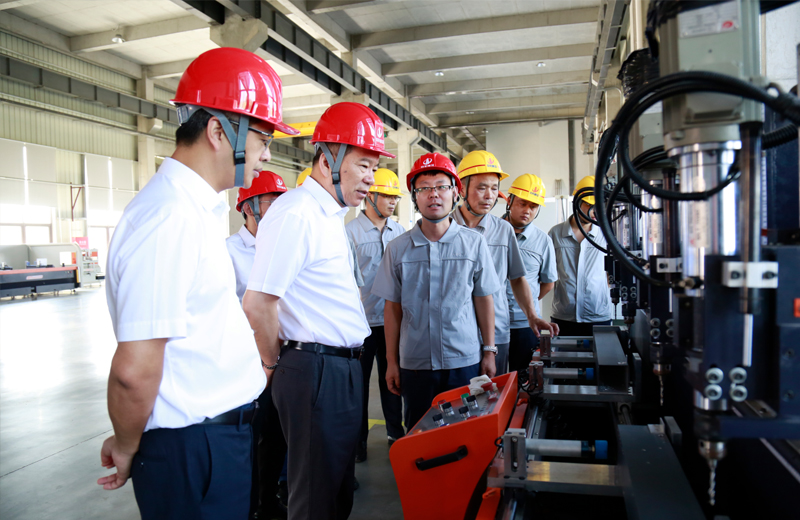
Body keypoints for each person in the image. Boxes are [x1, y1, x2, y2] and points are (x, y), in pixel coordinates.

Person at [99, 47, 298, 520]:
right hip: (192, 449)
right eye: (262, 138)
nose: (267, 154)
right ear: (217, 131)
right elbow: (133, 369)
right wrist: (126, 444)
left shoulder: (192, 210)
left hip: (213, 441)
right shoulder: (168, 218)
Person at [242, 101, 395, 520]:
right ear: (328, 160)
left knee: (336, 490)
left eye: (374, 166)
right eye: (363, 165)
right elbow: (259, 302)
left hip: (338, 368)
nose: (372, 177)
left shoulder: (328, 216)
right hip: (314, 368)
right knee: (314, 498)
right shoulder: (296, 214)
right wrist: (272, 366)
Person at [372, 152, 501, 432]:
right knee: (419, 435)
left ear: (455, 192)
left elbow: (483, 299)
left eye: (442, 186)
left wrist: (489, 351)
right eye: (424, 188)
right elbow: (392, 308)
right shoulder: (397, 249)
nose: (434, 194)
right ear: (414, 196)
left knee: (464, 434)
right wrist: (391, 362)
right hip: (415, 364)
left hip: (464, 360)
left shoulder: (474, 244)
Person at [453, 151, 557, 375]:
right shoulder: (445, 228)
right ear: (461, 189)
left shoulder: (503, 230)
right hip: (456, 334)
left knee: (495, 392)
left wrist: (532, 316)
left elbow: (517, 279)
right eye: (481, 187)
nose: (489, 195)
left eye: (494, 188)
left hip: (497, 332)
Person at [226, 170, 289, 519]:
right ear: (248, 207)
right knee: (251, 437)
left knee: (278, 434)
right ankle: (250, 505)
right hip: (250, 362)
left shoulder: (282, 246)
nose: (278, 209)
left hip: (286, 356)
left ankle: (268, 500)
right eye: (271, 201)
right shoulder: (228, 253)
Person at [345, 168, 406, 462]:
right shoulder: (350, 233)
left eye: (395, 197)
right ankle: (358, 443)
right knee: (357, 388)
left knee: (392, 381)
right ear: (370, 196)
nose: (392, 202)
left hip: (394, 322)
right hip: (362, 324)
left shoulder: (400, 233)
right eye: (387, 196)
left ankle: (396, 435)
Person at [503, 174, 559, 372]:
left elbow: (548, 283)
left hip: (524, 324)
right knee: (491, 380)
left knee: (522, 379)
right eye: (522, 203)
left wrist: (526, 305)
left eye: (533, 206)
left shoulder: (543, 241)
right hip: (491, 322)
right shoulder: (491, 232)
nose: (527, 210)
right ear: (509, 201)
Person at [549, 175, 613, 337]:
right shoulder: (556, 233)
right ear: (577, 203)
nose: (594, 211)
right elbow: (547, 273)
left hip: (598, 316)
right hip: (563, 317)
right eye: (589, 205)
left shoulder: (607, 233)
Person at [227, 170, 288, 302]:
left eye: (283, 204)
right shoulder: (228, 252)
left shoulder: (286, 248)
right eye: (273, 203)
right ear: (249, 209)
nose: (281, 211)